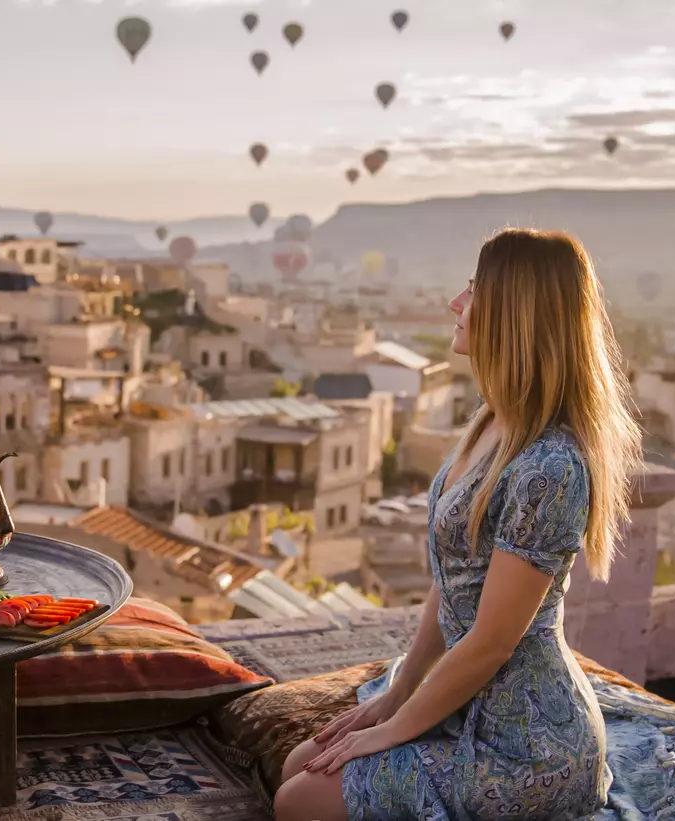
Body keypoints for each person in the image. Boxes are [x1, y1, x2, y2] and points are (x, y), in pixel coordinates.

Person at [273, 229, 643, 821]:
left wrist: (392, 731)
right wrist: (396, 695)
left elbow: (493, 642)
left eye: (472, 290)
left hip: (526, 745)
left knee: (299, 801)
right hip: (460, 702)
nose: (455, 303)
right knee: (296, 768)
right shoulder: (492, 421)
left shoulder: (551, 467)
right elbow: (451, 583)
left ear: (512, 313)